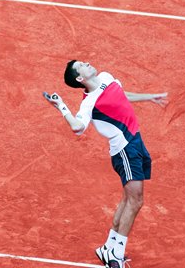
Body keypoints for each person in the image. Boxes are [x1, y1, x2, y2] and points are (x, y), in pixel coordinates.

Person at [43, 60, 168, 268]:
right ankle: (115, 255)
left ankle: (108, 247)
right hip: (125, 150)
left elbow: (123, 96)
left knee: (128, 198)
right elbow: (78, 127)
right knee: (135, 201)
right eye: (82, 65)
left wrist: (149, 97)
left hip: (135, 141)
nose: (88, 62)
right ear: (80, 78)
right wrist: (62, 106)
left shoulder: (107, 77)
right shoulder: (89, 102)